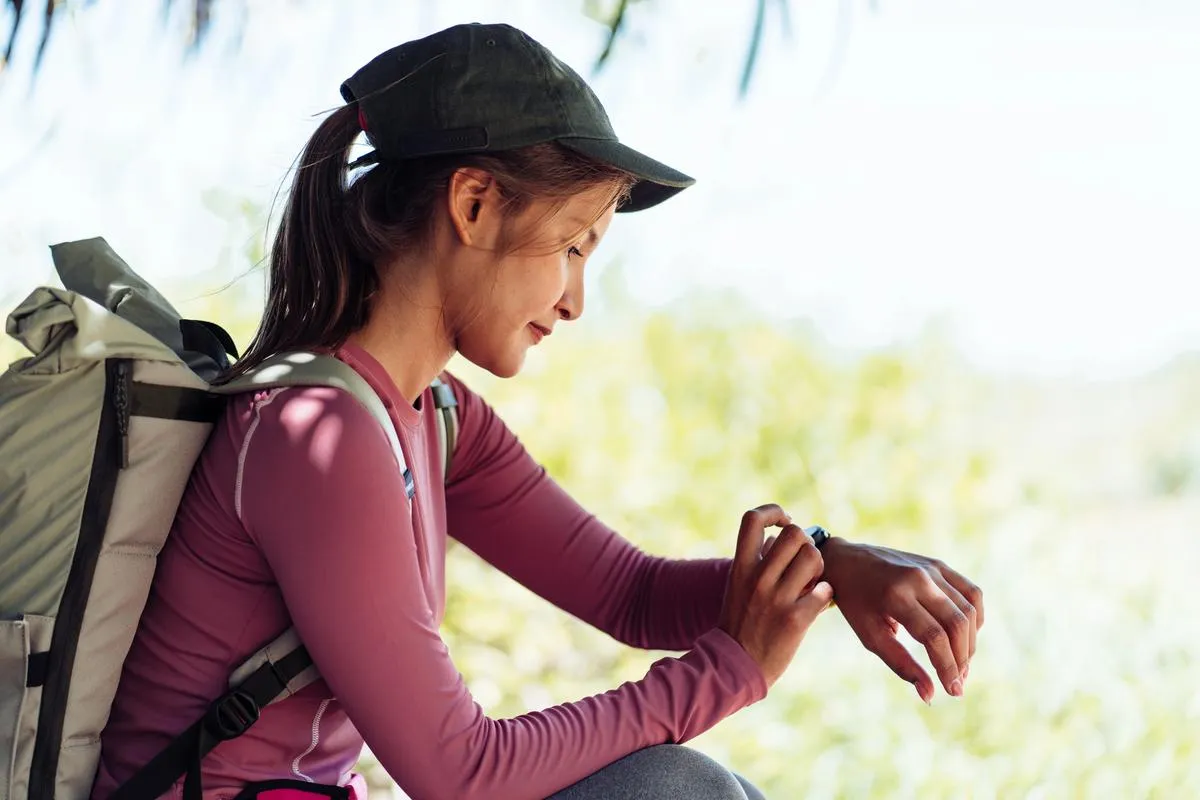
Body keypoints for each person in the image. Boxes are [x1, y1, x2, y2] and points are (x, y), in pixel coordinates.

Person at [91, 22, 984, 800]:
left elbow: (631, 593)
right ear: (474, 204)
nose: (574, 300)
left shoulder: (434, 418)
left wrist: (824, 568)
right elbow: (459, 774)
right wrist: (730, 671)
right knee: (679, 790)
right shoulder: (311, 438)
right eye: (571, 246)